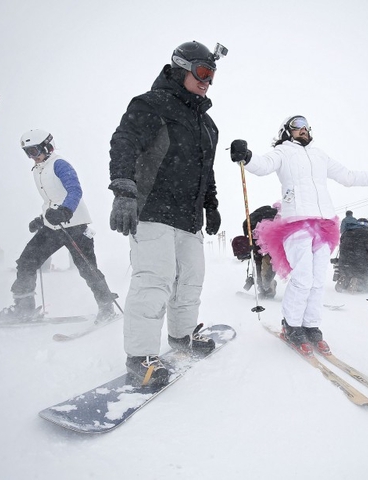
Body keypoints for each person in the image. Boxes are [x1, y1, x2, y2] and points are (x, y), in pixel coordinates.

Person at [108, 40, 227, 387]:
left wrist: (212, 203)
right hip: (154, 208)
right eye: (203, 72)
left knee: (190, 280)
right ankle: (140, 355)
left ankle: (182, 335)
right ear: (181, 67)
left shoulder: (208, 125)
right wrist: (124, 190)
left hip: (189, 217)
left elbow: (208, 169)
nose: (207, 80)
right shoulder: (151, 104)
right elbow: (124, 142)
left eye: (212, 75)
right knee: (155, 280)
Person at [230, 115, 368, 355]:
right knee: (303, 277)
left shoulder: (320, 155)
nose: (304, 129)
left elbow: (348, 176)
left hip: (323, 225)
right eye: (297, 125)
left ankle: (311, 325)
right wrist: (245, 156)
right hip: (296, 223)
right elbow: (262, 165)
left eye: (307, 126)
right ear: (286, 131)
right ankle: (291, 325)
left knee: (318, 279)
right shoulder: (282, 152)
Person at [0, 129, 116, 322]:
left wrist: (66, 211)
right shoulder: (38, 170)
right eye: (27, 153)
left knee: (87, 269)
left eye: (34, 151)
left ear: (47, 147)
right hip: (52, 227)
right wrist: (41, 219)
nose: (31, 157)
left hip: (75, 226)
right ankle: (24, 309)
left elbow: (74, 190)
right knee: (26, 262)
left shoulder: (59, 164)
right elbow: (52, 200)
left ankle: (106, 307)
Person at [241, 204, 279, 299]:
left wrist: (266, 281)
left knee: (268, 268)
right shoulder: (251, 232)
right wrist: (259, 281)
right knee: (262, 268)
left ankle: (269, 287)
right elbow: (257, 259)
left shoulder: (271, 232)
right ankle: (264, 288)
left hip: (276, 236)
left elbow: (274, 260)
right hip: (263, 231)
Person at [335, 217, 368, 293]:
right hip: (359, 266)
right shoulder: (366, 234)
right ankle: (357, 282)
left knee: (348, 274)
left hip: (343, 264)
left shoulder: (346, 232)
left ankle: (345, 280)